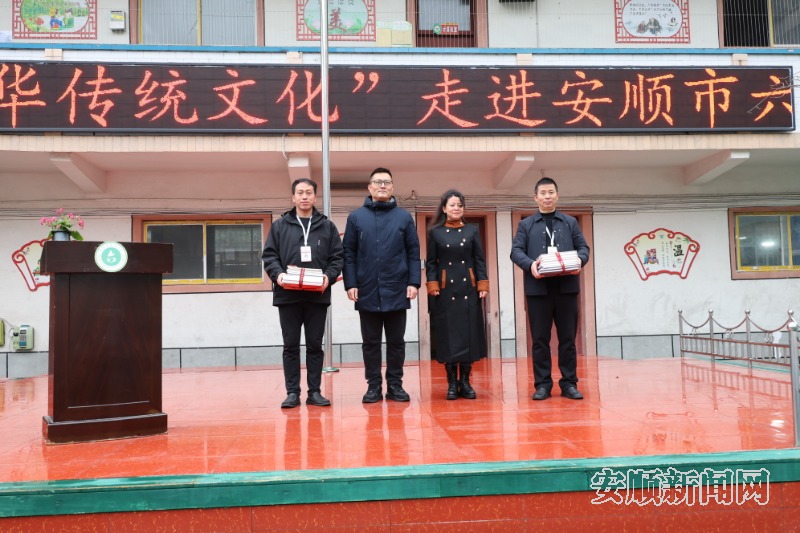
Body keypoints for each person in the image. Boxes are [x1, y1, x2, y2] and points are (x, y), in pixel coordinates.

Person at [262, 178, 343, 409]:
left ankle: (314, 392)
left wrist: (328, 276)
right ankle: (292, 393)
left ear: (315, 197)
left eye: (309, 192)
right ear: (293, 197)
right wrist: (278, 275)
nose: (305, 196)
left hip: (317, 296)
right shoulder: (280, 226)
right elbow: (269, 256)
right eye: (300, 193)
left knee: (315, 345)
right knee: (290, 345)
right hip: (287, 296)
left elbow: (337, 257)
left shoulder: (327, 226)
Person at [342, 167, 421, 403]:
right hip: (367, 289)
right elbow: (349, 253)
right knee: (371, 343)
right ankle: (373, 386)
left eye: (387, 182)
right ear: (370, 187)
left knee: (396, 342)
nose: (382, 186)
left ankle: (395, 385)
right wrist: (351, 283)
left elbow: (413, 252)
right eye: (378, 182)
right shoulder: (356, 217)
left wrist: (413, 282)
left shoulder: (404, 218)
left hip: (397, 288)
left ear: (393, 187)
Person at [510, 177, 590, 401]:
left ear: (557, 195)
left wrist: (580, 261)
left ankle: (569, 383)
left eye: (551, 192)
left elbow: (583, 248)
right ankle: (543, 385)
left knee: (568, 339)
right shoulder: (526, 225)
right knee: (540, 340)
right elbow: (516, 251)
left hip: (566, 289)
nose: (547, 197)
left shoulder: (570, 222)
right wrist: (530, 265)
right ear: (535, 197)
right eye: (543, 193)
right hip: (538, 290)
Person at [425, 190, 489, 400]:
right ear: (444, 208)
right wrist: (433, 284)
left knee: (468, 333)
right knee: (449, 335)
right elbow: (431, 262)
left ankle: (466, 381)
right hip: (445, 291)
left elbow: (479, 259)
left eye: (459, 205)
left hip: (468, 289)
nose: (456, 208)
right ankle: (452, 382)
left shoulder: (472, 230)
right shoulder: (435, 232)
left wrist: (483, 284)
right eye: (452, 205)